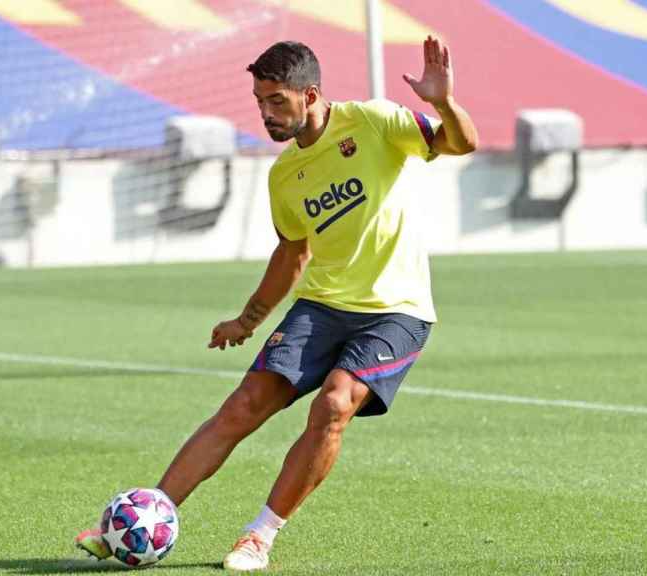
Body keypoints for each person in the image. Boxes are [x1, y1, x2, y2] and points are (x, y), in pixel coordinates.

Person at [76, 36, 477, 571]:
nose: (266, 114)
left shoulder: (375, 121)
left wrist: (442, 101)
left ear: (310, 94)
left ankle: (259, 536)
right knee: (242, 406)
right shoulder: (284, 175)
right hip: (322, 307)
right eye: (260, 102)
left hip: (396, 310)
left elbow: (462, 143)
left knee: (334, 404)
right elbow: (293, 255)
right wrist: (246, 321)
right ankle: (141, 521)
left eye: (276, 102)